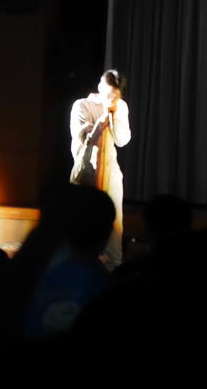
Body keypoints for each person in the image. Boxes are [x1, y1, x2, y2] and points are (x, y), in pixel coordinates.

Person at [69, 70, 131, 270]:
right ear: (100, 88)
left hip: (110, 170)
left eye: (115, 96)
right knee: (84, 219)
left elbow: (122, 140)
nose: (111, 99)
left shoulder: (121, 106)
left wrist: (116, 115)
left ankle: (113, 267)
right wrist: (101, 120)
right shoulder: (82, 105)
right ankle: (80, 264)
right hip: (87, 170)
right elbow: (82, 138)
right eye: (108, 94)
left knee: (114, 221)